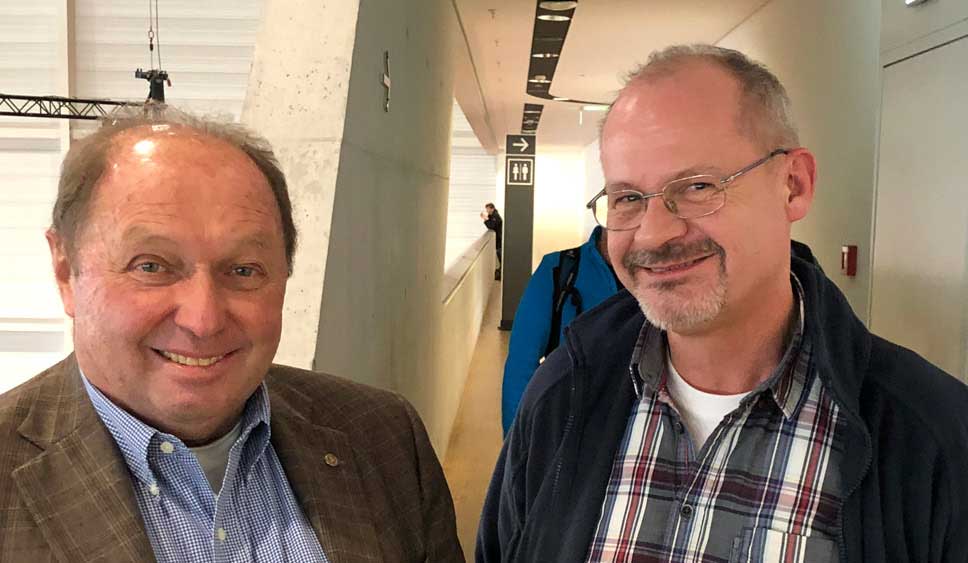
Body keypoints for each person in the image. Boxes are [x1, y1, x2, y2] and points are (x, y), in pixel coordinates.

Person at [477, 44, 968, 562]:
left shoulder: (934, 440)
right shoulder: (565, 394)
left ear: (793, 186)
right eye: (627, 198)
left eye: (696, 186)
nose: (655, 233)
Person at [0, 107, 463, 562]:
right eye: (152, 266)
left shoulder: (383, 437)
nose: (203, 320)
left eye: (243, 270)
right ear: (66, 273)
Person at [501, 226, 621, 434]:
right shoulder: (558, 270)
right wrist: (516, 449)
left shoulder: (659, 276)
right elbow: (521, 363)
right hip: (570, 429)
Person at [481, 203, 503, 279]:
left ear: (492, 208)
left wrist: (485, 219)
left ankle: (501, 273)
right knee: (499, 257)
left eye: (488, 209)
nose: (487, 211)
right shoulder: (493, 215)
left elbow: (491, 226)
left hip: (499, 241)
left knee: (500, 257)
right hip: (498, 241)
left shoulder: (496, 216)